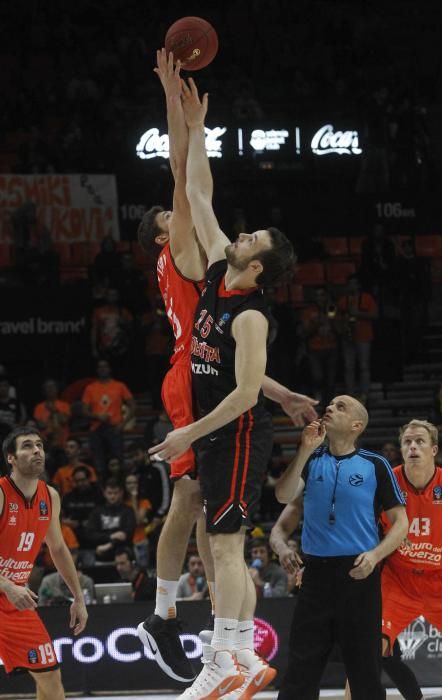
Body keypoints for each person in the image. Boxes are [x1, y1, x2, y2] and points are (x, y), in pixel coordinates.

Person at [136, 50, 317, 688]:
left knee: (225, 545)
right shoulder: (214, 266)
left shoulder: (250, 316)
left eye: (251, 240)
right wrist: (193, 124)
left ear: (258, 266)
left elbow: (244, 393)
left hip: (233, 426)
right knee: (217, 542)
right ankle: (232, 654)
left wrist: (187, 432)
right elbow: (196, 191)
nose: (238, 235)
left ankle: (227, 654)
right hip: (208, 413)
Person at [273, 396, 408, 700]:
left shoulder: (376, 464)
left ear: (357, 426)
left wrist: (375, 555)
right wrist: (282, 548)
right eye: (331, 404)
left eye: (341, 406)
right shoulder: (310, 462)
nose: (331, 408)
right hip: (315, 576)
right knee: (300, 671)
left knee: (365, 672)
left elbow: (401, 522)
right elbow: (282, 503)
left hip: (359, 575)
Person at [345, 419, 442, 700]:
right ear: (401, 449)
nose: (413, 446)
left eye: (420, 441)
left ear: (434, 449)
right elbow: (359, 526)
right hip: (398, 580)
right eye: (407, 442)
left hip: (438, 579)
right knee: (367, 649)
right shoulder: (385, 481)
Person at [0, 427, 87, 698]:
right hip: (10, 590)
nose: (37, 450)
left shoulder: (50, 496)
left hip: (15, 603)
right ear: (11, 458)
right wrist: (7, 585)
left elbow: (58, 549)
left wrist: (78, 598)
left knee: (50, 674)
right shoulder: (1, 494)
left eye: (39, 445)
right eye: (27, 446)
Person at [82, 359, 136, 475]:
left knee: (118, 460)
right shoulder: (90, 388)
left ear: (110, 369)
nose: (103, 369)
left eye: (105, 366)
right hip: (96, 428)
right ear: (97, 370)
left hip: (114, 428)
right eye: (100, 367)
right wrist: (97, 416)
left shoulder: (119, 386)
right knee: (98, 463)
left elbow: (132, 405)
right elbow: (84, 411)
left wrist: (123, 423)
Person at [337, 275, 378, 404]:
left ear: (358, 285)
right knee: (349, 366)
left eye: (355, 284)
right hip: (347, 337)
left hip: (364, 336)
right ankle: (350, 395)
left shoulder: (367, 298)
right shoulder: (342, 300)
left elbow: (375, 315)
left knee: (364, 366)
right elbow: (335, 316)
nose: (352, 286)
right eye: (350, 284)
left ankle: (364, 394)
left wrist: (358, 314)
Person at [83, 477, 136, 562]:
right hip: (101, 556)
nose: (112, 496)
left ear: (121, 493)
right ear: (104, 493)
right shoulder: (97, 512)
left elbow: (127, 534)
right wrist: (110, 536)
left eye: (116, 493)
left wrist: (107, 545)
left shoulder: (128, 511)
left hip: (124, 557)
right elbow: (90, 534)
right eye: (109, 493)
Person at [33, 379, 71, 450]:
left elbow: (65, 421)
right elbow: (40, 425)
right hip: (46, 442)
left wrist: (54, 410)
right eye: (48, 387)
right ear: (44, 391)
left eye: (52, 387)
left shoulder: (65, 405)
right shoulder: (39, 407)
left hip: (63, 442)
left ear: (57, 389)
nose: (50, 389)